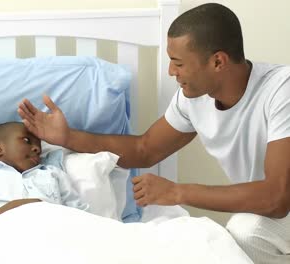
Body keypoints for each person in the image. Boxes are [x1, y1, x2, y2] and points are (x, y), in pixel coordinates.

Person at [18, 3, 289, 264]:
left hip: (280, 210)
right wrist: (67, 138)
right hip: (278, 220)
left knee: (245, 230)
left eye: (178, 63)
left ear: (218, 61)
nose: (171, 71)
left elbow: (276, 198)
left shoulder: (281, 91)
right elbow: (145, 149)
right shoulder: (193, 99)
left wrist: (178, 192)